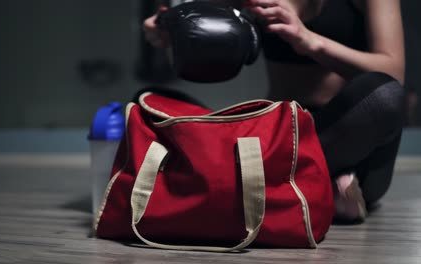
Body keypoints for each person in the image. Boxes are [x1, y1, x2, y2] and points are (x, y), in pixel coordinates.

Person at [142, 0, 406, 222]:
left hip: (348, 137)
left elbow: (393, 72)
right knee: (151, 101)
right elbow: (201, 47)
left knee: (385, 95)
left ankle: (246, 184)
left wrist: (310, 41)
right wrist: (168, 34)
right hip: (280, 134)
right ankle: (318, 184)